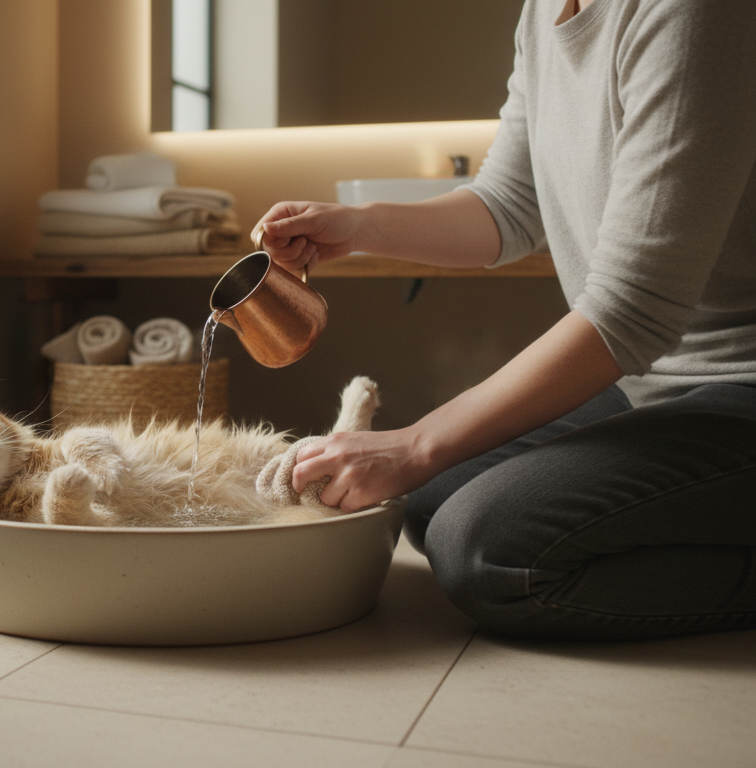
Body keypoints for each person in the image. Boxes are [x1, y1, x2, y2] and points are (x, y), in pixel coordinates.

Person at [256, 0, 756, 640]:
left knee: (489, 553)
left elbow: (633, 309)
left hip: (741, 381)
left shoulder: (689, 12)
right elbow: (509, 206)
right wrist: (358, 226)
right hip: (659, 383)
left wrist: (414, 442)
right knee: (429, 501)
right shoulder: (543, 11)